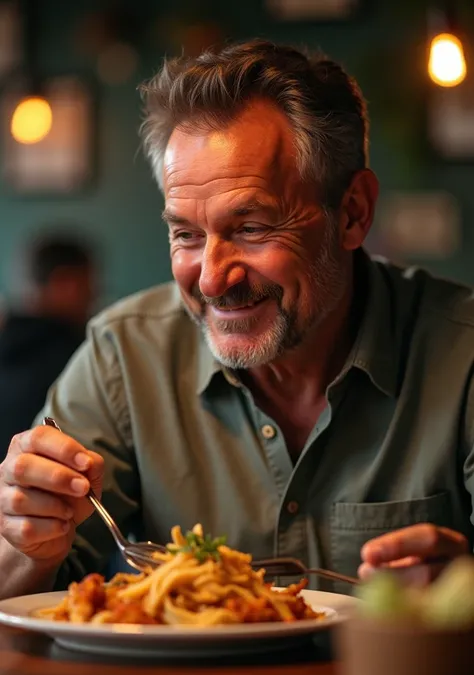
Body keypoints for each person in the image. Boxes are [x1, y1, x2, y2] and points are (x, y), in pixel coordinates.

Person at [0, 40, 470, 601]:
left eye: (251, 228)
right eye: (187, 235)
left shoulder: (460, 355)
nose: (211, 279)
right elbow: (19, 584)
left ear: (352, 213)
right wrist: (26, 540)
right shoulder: (124, 356)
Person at [0, 230, 97, 460]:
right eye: (89, 283)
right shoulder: (77, 356)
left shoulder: (7, 342)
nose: (93, 294)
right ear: (65, 282)